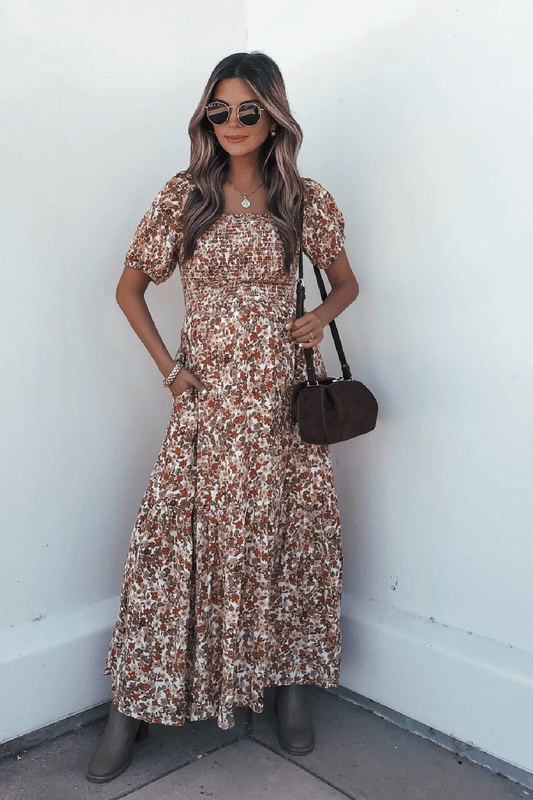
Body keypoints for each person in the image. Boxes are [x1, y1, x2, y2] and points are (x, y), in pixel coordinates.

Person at [87, 51, 359, 783]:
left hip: (280, 408)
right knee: (170, 552)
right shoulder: (184, 195)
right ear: (205, 117)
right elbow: (129, 289)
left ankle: (290, 690)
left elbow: (345, 283)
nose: (233, 123)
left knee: (290, 544)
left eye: (247, 110)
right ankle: (131, 706)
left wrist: (319, 317)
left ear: (274, 115)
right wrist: (169, 370)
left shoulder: (307, 199)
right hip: (208, 405)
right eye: (219, 110)